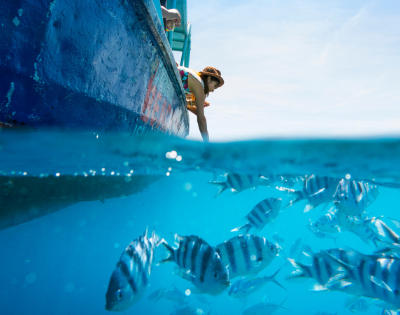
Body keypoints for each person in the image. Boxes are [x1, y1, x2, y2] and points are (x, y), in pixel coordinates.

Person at [178, 66, 224, 142]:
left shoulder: (194, 79)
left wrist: (197, 104)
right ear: (209, 78)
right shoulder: (199, 87)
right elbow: (201, 120)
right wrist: (206, 142)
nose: (213, 90)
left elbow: (188, 105)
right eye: (214, 86)